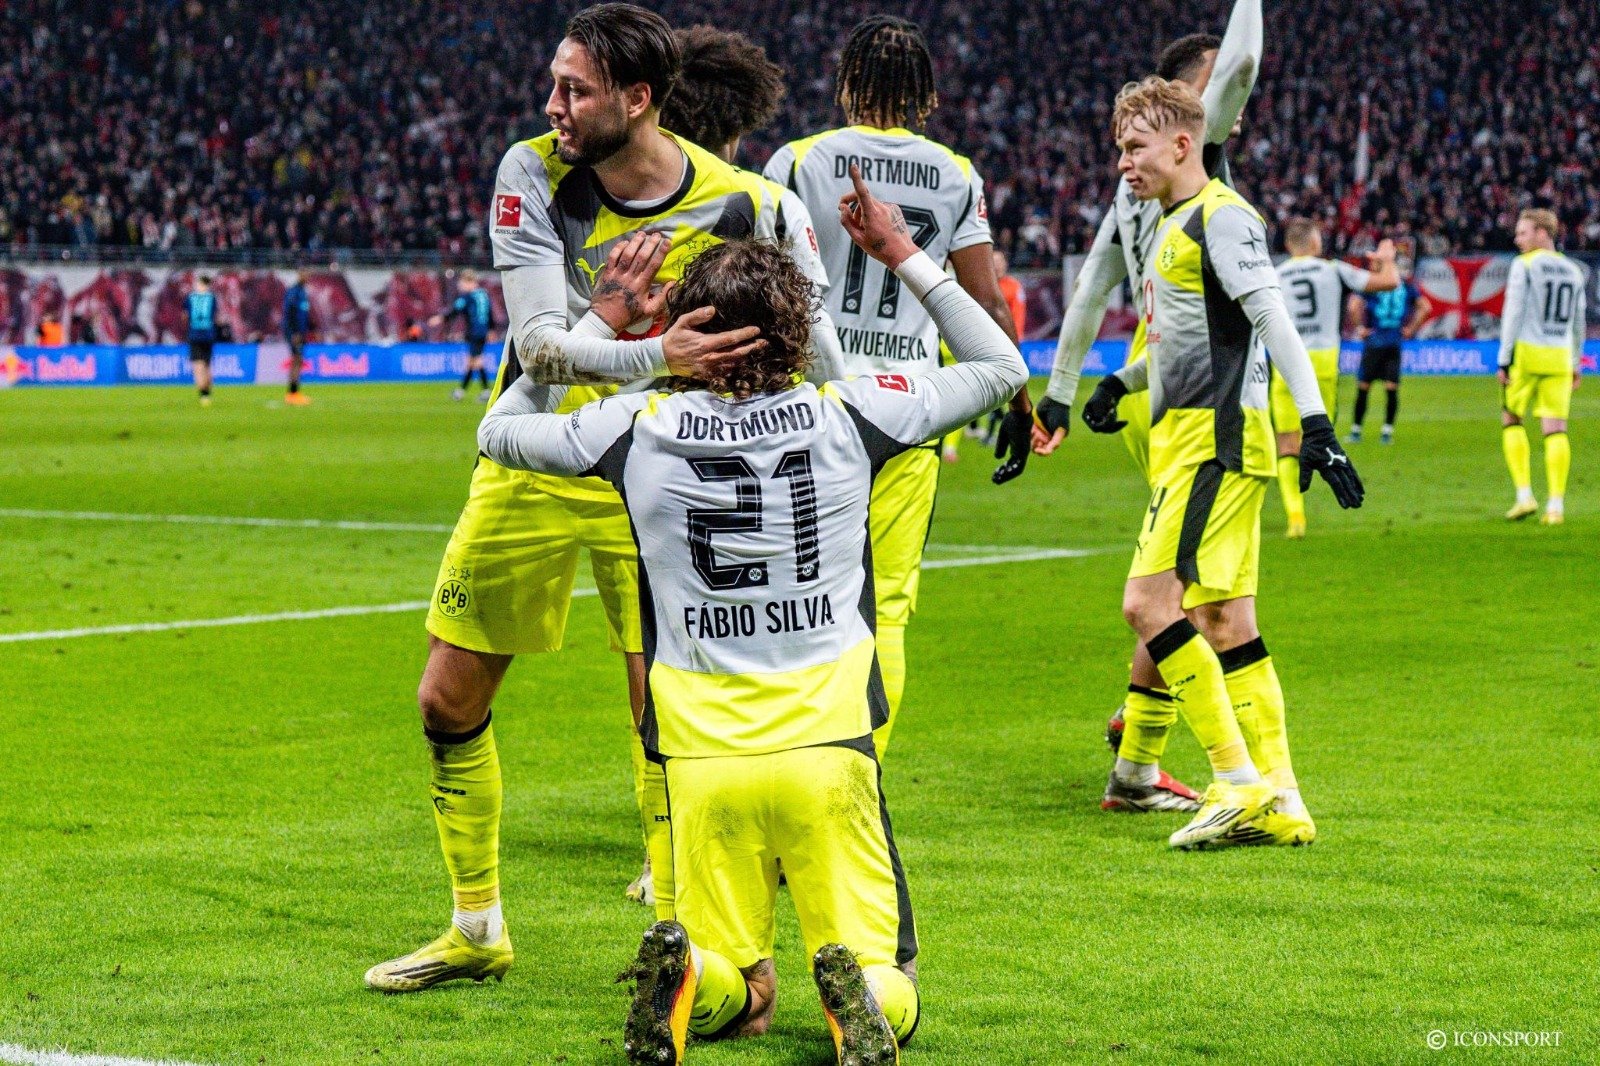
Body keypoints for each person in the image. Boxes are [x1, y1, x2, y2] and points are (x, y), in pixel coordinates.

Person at [477, 174, 1027, 1065]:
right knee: (888, 973)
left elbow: (498, 429)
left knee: (741, 987)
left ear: (684, 332)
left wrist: (608, 327)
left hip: (701, 761)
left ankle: (699, 979)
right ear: (797, 331)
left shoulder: (632, 427)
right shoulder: (853, 414)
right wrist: (901, 252)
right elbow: (1002, 367)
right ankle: (865, 999)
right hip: (829, 748)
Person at [365, 3, 837, 994]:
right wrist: (648, 342)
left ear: (639, 98)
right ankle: (476, 927)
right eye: (555, 83)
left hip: (659, 469)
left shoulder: (753, 206)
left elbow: (818, 362)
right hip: (537, 450)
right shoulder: (532, 173)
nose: (553, 105)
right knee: (445, 697)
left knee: (664, 715)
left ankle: (683, 941)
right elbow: (541, 348)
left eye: (574, 90)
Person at [1079, 77, 1364, 849]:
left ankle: (1236, 783)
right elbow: (1190, 341)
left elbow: (1272, 317)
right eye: (1118, 150)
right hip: (1191, 437)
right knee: (1226, 621)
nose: (1123, 164)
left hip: (1213, 442)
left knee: (1148, 605)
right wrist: (1121, 382)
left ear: (1183, 144)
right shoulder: (1173, 226)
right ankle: (1284, 801)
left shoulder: (1221, 218)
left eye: (1134, 148)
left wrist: (1316, 422)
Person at [764, 14, 1029, 757]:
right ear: (924, 92)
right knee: (887, 608)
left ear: (848, 80)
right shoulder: (956, 172)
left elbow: (760, 277)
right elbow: (985, 302)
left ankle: (787, 761)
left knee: (794, 594)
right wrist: (1018, 400)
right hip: (908, 408)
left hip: (811, 406)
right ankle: (863, 774)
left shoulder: (799, 160)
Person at [1029, 1, 1262, 814]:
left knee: (1175, 586)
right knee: (1194, 598)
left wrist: (1061, 393)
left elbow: (1092, 289)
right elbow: (1242, 67)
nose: (1234, 103)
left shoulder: (1131, 194)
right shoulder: (1199, 150)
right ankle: (1233, 777)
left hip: (1148, 389)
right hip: (1196, 389)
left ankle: (1137, 758)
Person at [633, 23, 841, 914]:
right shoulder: (765, 204)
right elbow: (821, 339)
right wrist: (842, 423)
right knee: (795, 639)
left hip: (653, 449)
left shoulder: (630, 203)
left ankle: (677, 855)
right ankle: (786, 819)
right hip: (777, 452)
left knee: (663, 658)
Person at [1271, 220, 1397, 537]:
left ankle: (1295, 519)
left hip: (1285, 361)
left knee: (1286, 442)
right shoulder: (1334, 269)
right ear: (1316, 244)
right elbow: (1389, 282)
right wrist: (1386, 259)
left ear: (1288, 246)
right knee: (1319, 435)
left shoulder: (1275, 275)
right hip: (1323, 362)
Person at [1498, 208, 1586, 525]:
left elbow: (1513, 313)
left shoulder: (1524, 265)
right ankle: (1556, 507)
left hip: (1527, 353)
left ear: (1542, 233)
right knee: (1556, 429)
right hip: (1560, 356)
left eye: (1523, 233)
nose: (1517, 239)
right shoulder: (1574, 270)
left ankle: (1524, 496)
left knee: (1511, 418)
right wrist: (1576, 361)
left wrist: (1504, 358)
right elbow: (1578, 322)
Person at [1346, 253, 1428, 444]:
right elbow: (1426, 307)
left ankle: (1356, 431)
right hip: (1394, 342)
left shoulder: (1374, 285)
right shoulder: (1405, 286)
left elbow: (1353, 306)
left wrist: (1360, 328)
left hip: (1374, 341)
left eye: (1375, 263)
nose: (1372, 266)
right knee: (1391, 388)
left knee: (1364, 387)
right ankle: (1387, 432)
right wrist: (1411, 329)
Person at [431, 269, 495, 402]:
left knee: (477, 362)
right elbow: (490, 313)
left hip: (474, 332)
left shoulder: (468, 296)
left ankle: (486, 392)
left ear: (469, 282)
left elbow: (455, 310)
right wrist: (491, 329)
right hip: (482, 332)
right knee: (471, 362)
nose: (460, 286)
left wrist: (440, 318)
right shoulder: (483, 294)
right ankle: (461, 391)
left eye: (462, 283)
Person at [185, 274, 218, 406]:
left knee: (198, 366)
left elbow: (185, 315)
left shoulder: (191, 297)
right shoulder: (212, 298)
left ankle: (203, 395)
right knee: (207, 365)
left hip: (195, 335)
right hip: (209, 335)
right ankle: (208, 393)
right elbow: (215, 315)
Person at [283, 270, 313, 406]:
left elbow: (304, 314)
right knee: (296, 359)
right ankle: (293, 393)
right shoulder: (294, 292)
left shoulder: (302, 292)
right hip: (295, 333)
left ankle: (294, 393)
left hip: (300, 332)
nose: (308, 277)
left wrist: (311, 329)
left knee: (298, 360)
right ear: (300, 275)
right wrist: (294, 332)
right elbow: (289, 312)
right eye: (305, 274)